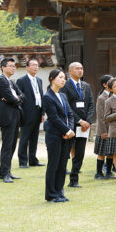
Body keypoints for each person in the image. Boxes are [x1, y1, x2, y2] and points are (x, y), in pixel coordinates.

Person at [42, 69, 75, 202]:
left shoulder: (63, 96)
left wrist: (70, 131)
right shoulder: (47, 97)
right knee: (53, 164)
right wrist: (67, 131)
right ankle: (51, 194)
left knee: (62, 165)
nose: (63, 80)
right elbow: (54, 118)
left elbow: (70, 114)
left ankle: (59, 192)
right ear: (52, 79)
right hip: (54, 135)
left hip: (66, 135)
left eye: (64, 78)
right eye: (60, 77)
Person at [60, 62, 94, 188]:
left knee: (80, 153)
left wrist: (88, 121)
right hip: (70, 124)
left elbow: (91, 104)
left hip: (84, 126)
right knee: (65, 152)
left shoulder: (86, 86)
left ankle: (74, 180)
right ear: (70, 71)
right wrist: (79, 120)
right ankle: (60, 178)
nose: (80, 71)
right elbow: (66, 106)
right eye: (77, 68)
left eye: (81, 68)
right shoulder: (65, 86)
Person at [0, 58, 24, 183]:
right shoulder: (1, 81)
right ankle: (4, 173)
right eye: (10, 66)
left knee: (12, 145)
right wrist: (15, 98)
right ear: (3, 67)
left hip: (14, 116)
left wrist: (16, 98)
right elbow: (12, 98)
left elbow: (22, 95)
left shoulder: (11, 82)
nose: (13, 68)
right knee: (7, 145)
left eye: (14, 66)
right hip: (6, 117)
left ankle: (7, 171)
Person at [16, 58, 45, 169]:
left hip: (38, 111)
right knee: (25, 138)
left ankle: (33, 160)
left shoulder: (39, 80)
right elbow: (19, 98)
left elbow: (41, 96)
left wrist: (43, 112)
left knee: (35, 137)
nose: (35, 67)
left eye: (37, 65)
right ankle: (23, 161)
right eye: (32, 65)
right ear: (27, 67)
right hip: (27, 113)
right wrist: (21, 114)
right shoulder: (21, 80)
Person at [93, 74, 114, 180]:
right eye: (111, 81)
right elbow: (100, 116)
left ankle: (109, 172)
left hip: (113, 129)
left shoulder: (113, 96)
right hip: (104, 130)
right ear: (105, 84)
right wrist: (103, 131)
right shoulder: (102, 98)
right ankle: (98, 173)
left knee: (110, 152)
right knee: (102, 152)